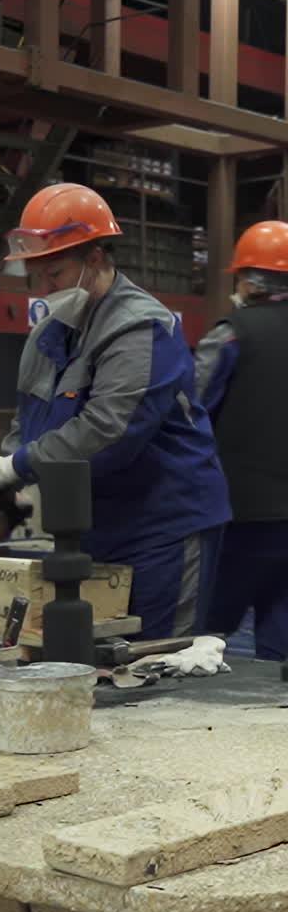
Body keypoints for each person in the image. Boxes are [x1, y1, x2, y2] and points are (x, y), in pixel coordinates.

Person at [0, 182, 231, 639]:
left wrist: (17, 465)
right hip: (98, 525)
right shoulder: (49, 334)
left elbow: (109, 431)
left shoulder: (140, 327)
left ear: (95, 259)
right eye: (37, 276)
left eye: (57, 274)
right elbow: (27, 420)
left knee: (158, 658)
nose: (45, 288)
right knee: (103, 659)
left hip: (164, 526)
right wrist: (8, 489)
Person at [194, 220, 288, 660]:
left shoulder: (232, 334)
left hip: (240, 515)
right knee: (280, 642)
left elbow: (188, 411)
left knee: (206, 638)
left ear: (246, 279)